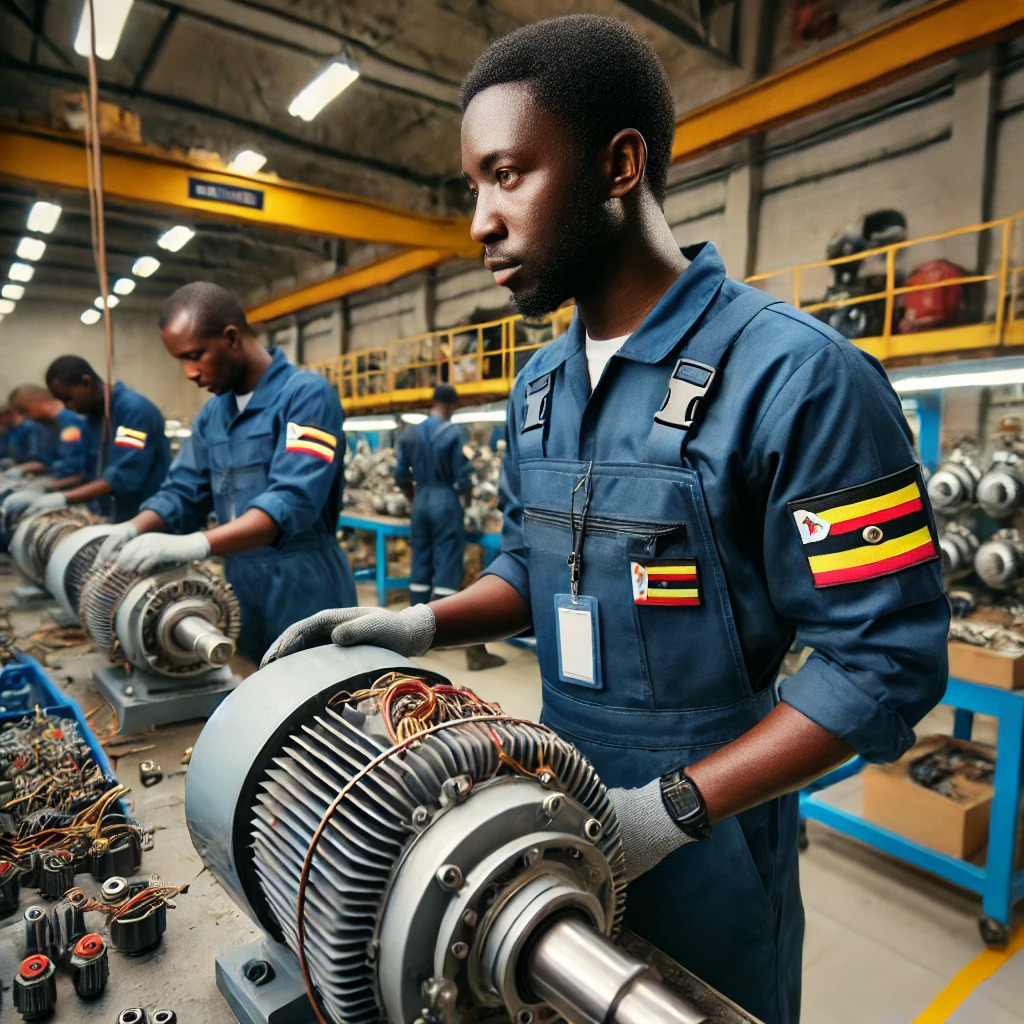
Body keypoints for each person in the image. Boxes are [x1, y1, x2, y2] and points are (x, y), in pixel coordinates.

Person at [262, 16, 949, 1024]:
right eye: (473, 187)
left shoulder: (798, 378)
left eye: (508, 175)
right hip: (551, 797)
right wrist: (420, 623)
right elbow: (529, 567)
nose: (480, 222)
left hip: (716, 840)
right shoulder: (539, 387)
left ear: (619, 165)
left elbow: (883, 663)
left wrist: (672, 808)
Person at [99, 281, 357, 664]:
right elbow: (182, 492)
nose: (189, 372)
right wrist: (132, 528)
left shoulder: (306, 395)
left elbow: (291, 503)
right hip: (240, 585)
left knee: (320, 689)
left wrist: (197, 543)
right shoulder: (213, 416)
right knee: (253, 683)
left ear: (232, 338)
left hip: (304, 584)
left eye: (195, 355)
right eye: (181, 360)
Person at [396, 383, 505, 671]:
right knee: (447, 562)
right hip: (444, 501)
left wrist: (415, 499)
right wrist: (466, 505)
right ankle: (442, 632)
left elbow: (401, 475)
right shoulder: (452, 433)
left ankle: (412, 631)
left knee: (421, 561)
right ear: (450, 405)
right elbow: (463, 477)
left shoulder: (410, 433)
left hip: (420, 500)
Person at [3, 357, 172, 523]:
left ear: (87, 383)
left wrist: (65, 497)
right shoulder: (93, 417)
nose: (67, 407)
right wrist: (48, 488)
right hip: (111, 513)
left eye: (69, 399)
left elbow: (124, 475)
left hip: (146, 514)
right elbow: (89, 472)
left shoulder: (133, 411)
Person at [7, 384, 89, 482]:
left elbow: (76, 465)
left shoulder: (70, 420)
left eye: (25, 411)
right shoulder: (44, 425)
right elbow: (46, 459)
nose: (26, 417)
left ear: (38, 400)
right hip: (59, 477)